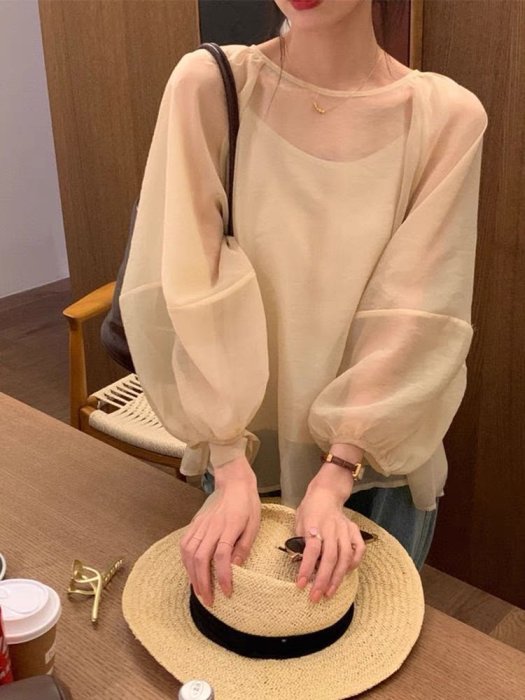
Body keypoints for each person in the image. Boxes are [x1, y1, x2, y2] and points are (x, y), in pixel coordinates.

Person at [119, 0, 488, 609]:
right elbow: (181, 279)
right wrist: (228, 459)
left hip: (375, 465)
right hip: (245, 456)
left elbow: (421, 312)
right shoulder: (211, 86)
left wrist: (340, 469)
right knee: (243, 640)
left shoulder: (447, 116)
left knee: (371, 649)